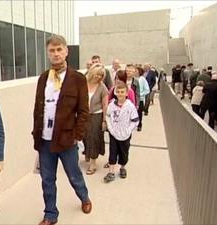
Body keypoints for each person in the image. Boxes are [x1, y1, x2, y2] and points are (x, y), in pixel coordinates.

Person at [32, 35, 91, 225]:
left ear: (66, 51)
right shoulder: (43, 78)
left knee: (74, 175)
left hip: (67, 139)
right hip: (45, 140)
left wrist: (77, 136)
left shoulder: (78, 79)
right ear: (48, 53)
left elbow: (83, 111)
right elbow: (38, 108)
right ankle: (50, 214)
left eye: (59, 50)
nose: (56, 54)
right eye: (52, 50)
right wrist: (36, 134)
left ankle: (84, 197)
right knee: (47, 179)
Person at [103, 81, 139, 183]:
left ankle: (122, 167)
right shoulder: (111, 105)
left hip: (125, 134)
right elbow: (108, 116)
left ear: (126, 93)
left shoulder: (130, 106)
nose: (120, 94)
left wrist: (128, 130)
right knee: (113, 151)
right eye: (118, 92)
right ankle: (111, 172)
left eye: (122, 92)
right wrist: (110, 128)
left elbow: (135, 121)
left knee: (124, 152)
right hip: (114, 133)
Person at [83, 63, 108, 175]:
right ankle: (88, 153)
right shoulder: (83, 83)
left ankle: (93, 163)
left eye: (101, 75)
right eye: (97, 74)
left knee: (93, 138)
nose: (98, 76)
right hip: (83, 115)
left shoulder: (102, 88)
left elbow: (105, 105)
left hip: (96, 116)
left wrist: (104, 120)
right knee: (84, 136)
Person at [135, 66, 150, 131]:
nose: (134, 72)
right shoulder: (133, 79)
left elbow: (147, 90)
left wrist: (140, 94)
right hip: (133, 99)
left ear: (139, 72)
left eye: (136, 71)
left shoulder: (142, 79)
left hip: (140, 99)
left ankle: (139, 125)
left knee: (139, 112)